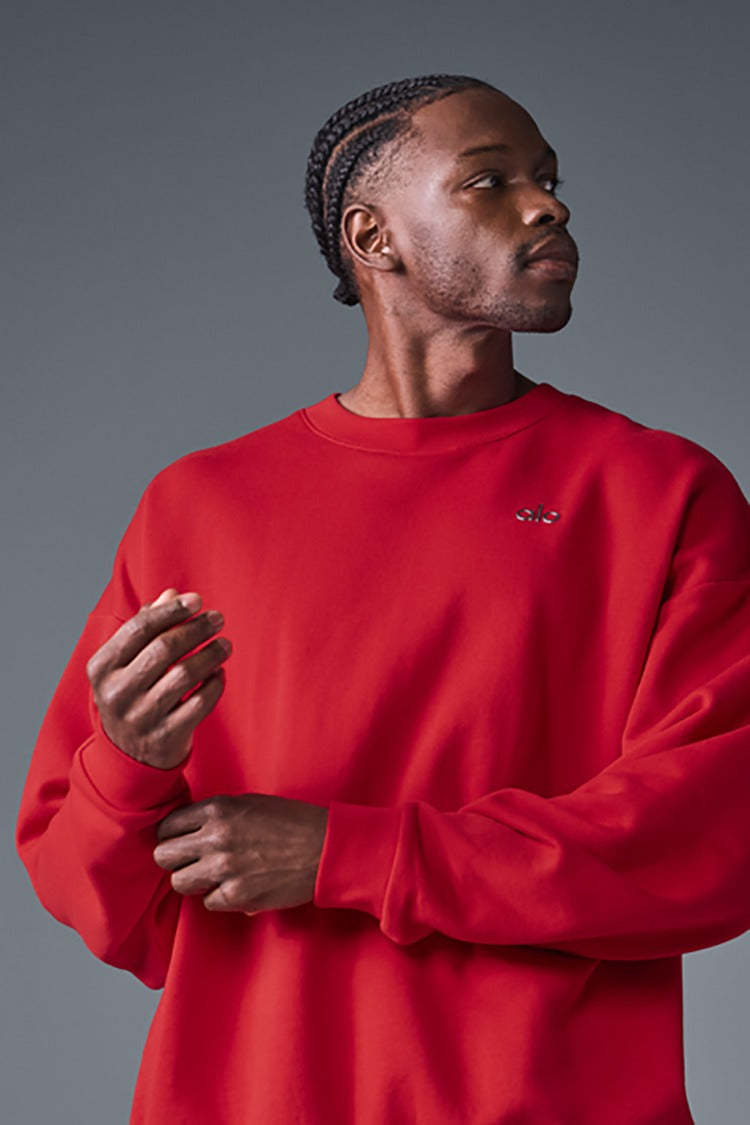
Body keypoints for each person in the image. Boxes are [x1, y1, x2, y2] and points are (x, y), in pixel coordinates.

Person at [15, 72, 750, 1124]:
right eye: (490, 180)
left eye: (548, 179)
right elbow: (111, 909)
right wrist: (130, 770)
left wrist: (345, 854)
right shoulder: (201, 506)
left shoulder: (662, 494)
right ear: (374, 237)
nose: (546, 205)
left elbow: (709, 839)